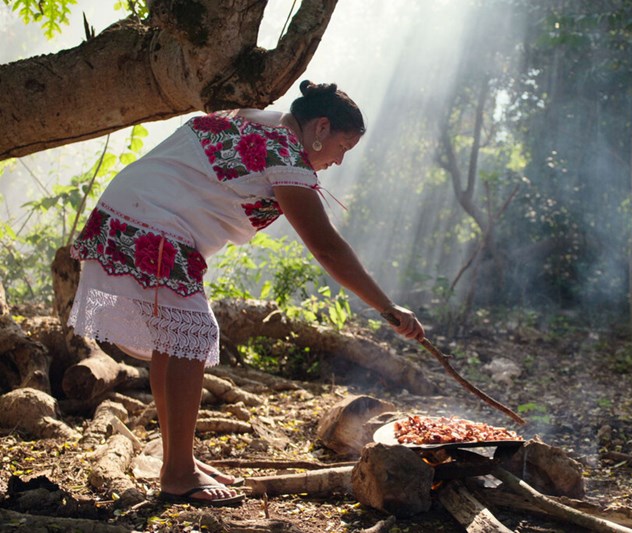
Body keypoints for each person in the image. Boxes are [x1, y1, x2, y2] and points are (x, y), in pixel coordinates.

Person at [68, 80, 425, 506]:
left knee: (179, 337)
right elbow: (326, 246)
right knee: (191, 334)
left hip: (130, 211)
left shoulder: (258, 118)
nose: (337, 161)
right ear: (322, 127)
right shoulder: (285, 154)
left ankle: (178, 461)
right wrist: (386, 306)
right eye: (342, 148)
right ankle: (178, 474)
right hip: (152, 224)